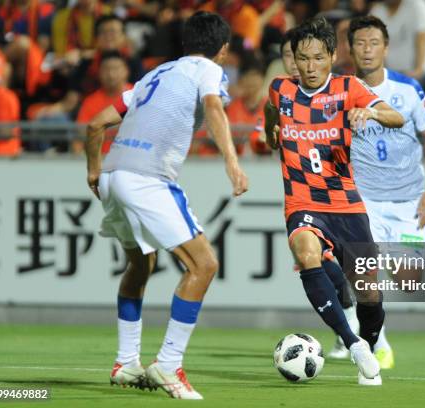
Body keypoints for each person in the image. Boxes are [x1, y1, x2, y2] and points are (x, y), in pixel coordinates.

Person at [84, 11, 248, 399]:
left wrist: (94, 171)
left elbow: (95, 124)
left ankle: (126, 363)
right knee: (204, 264)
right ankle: (169, 364)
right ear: (222, 50)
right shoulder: (209, 70)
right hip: (147, 179)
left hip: (114, 174)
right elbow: (213, 108)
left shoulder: (155, 73)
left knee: (141, 264)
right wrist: (232, 161)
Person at [264, 17, 405, 386]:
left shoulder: (348, 88)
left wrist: (370, 111)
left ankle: (369, 349)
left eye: (316, 58)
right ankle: (352, 342)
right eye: (301, 59)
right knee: (307, 253)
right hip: (302, 201)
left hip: (345, 204)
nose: (309, 67)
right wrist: (272, 133)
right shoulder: (281, 90)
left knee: (369, 294)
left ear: (331, 55)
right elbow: (269, 114)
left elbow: (397, 116)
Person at [325, 15, 425, 368]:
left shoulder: (408, 89)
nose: (367, 49)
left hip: (408, 200)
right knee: (364, 275)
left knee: (408, 280)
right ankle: (378, 344)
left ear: (386, 48)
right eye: (360, 43)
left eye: (374, 43)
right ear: (349, 48)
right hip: (364, 201)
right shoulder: (340, 91)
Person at [370, 0, 425, 96]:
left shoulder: (417, 4)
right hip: (395, 76)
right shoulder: (377, 11)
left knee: (405, 90)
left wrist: (418, 70)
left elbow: (422, 37)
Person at [75, 51, 133, 154]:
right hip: (100, 163)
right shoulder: (90, 102)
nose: (111, 74)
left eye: (116, 69)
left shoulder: (139, 96)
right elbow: (79, 138)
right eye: (106, 69)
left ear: (126, 71)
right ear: (99, 73)